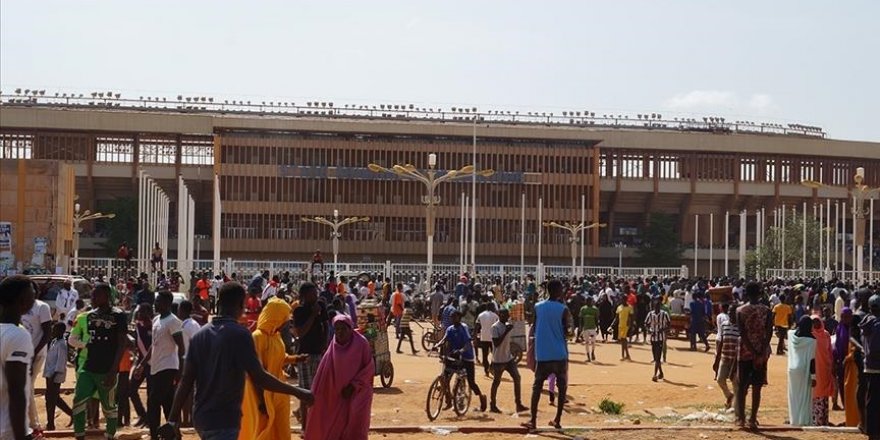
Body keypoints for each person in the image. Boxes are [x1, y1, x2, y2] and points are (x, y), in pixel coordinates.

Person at [163, 282, 314, 439]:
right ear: (241, 304)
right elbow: (259, 376)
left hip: (203, 418)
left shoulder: (199, 336)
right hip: (225, 419)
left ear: (219, 302)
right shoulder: (240, 335)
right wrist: (298, 392)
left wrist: (173, 420)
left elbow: (186, 381)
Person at [67, 283, 128, 440]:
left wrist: (114, 370)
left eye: (96, 295)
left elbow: (122, 343)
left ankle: (109, 435)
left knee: (109, 407)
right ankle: (79, 436)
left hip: (107, 369)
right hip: (88, 367)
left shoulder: (118, 315)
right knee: (78, 401)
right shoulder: (90, 315)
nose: (92, 298)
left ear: (107, 296)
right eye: (92, 295)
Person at [304, 314, 374, 440]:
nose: (340, 333)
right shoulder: (332, 349)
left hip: (357, 394)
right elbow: (323, 377)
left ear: (350, 329)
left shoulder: (361, 344)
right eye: (336, 329)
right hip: (336, 397)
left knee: (355, 426)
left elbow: (368, 369)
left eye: (343, 329)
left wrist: (354, 385)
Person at [239, 298, 300, 440]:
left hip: (279, 391)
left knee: (282, 429)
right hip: (262, 394)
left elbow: (278, 358)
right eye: (284, 318)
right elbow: (255, 371)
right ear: (276, 316)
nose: (286, 322)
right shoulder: (257, 337)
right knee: (263, 429)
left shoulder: (276, 336)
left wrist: (296, 359)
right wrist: (261, 401)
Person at [525, 279, 571, 431]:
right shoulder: (563, 309)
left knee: (537, 386)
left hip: (543, 353)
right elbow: (568, 332)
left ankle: (533, 420)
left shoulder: (538, 307)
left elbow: (534, 326)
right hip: (559, 353)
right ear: (558, 291)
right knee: (562, 387)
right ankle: (557, 419)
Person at [1, 275, 37, 440]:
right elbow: (16, 390)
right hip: (9, 430)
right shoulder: (18, 335)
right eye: (32, 295)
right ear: (23, 301)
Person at [735, 281, 772, 430]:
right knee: (757, 387)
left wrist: (751, 350)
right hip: (760, 353)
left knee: (741, 387)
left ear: (746, 293)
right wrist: (760, 351)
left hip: (744, 352)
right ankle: (753, 418)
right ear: (760, 293)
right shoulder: (767, 311)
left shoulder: (740, 311)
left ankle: (741, 419)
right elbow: (769, 332)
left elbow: (742, 334)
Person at [292, 282, 328, 431]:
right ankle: (305, 427)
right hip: (305, 355)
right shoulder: (299, 311)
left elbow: (325, 325)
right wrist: (313, 315)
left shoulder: (321, 307)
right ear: (304, 296)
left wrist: (325, 345)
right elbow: (300, 333)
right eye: (312, 293)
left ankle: (316, 424)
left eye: (316, 293)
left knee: (319, 391)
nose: (316, 296)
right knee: (305, 392)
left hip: (318, 353)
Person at [435, 310, 488, 412]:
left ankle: (481, 397)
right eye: (451, 317)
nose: (453, 319)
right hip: (454, 356)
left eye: (455, 317)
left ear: (459, 317)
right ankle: (448, 400)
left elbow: (468, 342)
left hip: (466, 358)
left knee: (471, 382)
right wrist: (437, 345)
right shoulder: (450, 329)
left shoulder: (464, 328)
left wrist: (462, 350)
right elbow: (444, 339)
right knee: (444, 379)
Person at [21, 290, 51, 434]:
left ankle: (34, 425)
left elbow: (46, 333)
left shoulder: (42, 307)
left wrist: (33, 353)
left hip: (37, 353)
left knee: (27, 387)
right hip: (21, 353)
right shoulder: (19, 307)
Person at [43, 321, 73, 431]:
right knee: (53, 398)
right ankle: (70, 414)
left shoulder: (62, 344)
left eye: (55, 329)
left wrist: (52, 377)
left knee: (51, 399)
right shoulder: (54, 341)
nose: (52, 331)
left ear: (61, 331)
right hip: (49, 373)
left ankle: (50, 424)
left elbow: (61, 362)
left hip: (55, 376)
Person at [787, 315, 817, 426]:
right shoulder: (812, 340)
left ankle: (793, 419)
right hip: (804, 369)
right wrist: (813, 377)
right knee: (804, 396)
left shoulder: (790, 335)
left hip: (792, 370)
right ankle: (803, 420)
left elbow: (792, 329)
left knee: (793, 396)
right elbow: (812, 361)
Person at [859, 294, 880, 440]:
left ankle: (871, 430)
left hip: (869, 366)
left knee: (871, 401)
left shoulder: (866, 322)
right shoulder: (877, 324)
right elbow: (876, 348)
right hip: (877, 366)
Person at [714, 308, 740, 409]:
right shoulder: (724, 325)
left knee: (735, 383)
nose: (731, 315)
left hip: (735, 360)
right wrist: (717, 358)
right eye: (729, 313)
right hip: (724, 357)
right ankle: (729, 396)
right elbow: (721, 341)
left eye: (733, 313)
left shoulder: (740, 327)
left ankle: (736, 408)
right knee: (720, 379)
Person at [811, 315, 834, 426]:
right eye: (813, 322)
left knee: (823, 394)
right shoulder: (810, 335)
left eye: (817, 321)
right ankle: (816, 420)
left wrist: (831, 364)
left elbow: (829, 351)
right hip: (815, 369)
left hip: (825, 368)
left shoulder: (826, 335)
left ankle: (823, 419)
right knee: (815, 393)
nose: (816, 324)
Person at [645, 299, 670, 382]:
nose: (656, 308)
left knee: (658, 356)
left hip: (660, 338)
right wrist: (649, 330)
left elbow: (669, 324)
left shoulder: (664, 314)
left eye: (658, 307)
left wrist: (662, 329)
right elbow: (646, 324)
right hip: (653, 338)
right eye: (655, 307)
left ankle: (655, 374)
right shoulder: (650, 314)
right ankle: (661, 373)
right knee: (656, 358)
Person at [476, 304, 499, 376]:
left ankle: (486, 370)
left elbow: (477, 326)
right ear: (491, 307)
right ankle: (492, 367)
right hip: (493, 337)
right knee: (495, 354)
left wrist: (475, 336)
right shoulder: (495, 316)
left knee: (484, 355)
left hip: (484, 337)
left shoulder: (480, 315)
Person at [613, 296, 634, 361]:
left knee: (624, 339)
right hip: (620, 325)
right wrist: (612, 325)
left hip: (626, 325)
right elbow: (616, 317)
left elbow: (631, 317)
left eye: (624, 299)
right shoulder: (619, 307)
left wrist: (631, 324)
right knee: (622, 340)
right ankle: (625, 355)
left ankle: (625, 355)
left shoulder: (630, 307)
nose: (623, 300)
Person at [579, 296, 599, 362]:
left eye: (590, 301)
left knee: (593, 342)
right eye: (587, 301)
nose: (589, 302)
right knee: (586, 342)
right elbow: (581, 319)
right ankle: (588, 356)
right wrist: (580, 327)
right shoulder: (583, 309)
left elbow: (596, 319)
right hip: (586, 328)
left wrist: (598, 328)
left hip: (593, 328)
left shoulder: (595, 309)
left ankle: (592, 352)